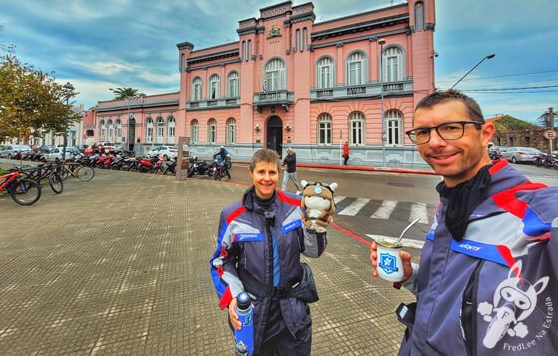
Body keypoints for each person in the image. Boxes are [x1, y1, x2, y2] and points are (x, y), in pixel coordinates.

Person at [369, 89, 558, 354]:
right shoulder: (449, 206)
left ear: (486, 133)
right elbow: (453, 295)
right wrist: (413, 276)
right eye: (423, 132)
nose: (434, 142)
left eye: (450, 128)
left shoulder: (538, 213)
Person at [210, 149, 330, 355]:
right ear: (251, 173)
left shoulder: (296, 205)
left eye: (272, 173)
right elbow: (222, 261)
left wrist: (315, 229)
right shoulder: (233, 215)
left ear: (279, 173)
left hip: (293, 312)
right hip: (255, 313)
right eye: (261, 172)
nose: (267, 178)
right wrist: (234, 299)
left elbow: (313, 252)